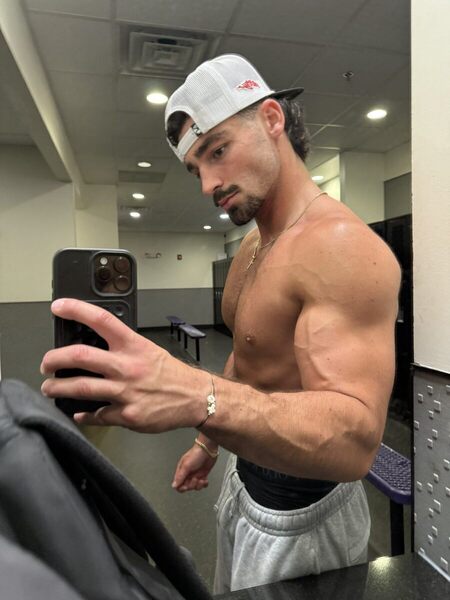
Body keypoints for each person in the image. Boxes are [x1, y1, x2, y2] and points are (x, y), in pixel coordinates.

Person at [40, 54, 401, 593]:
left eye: (217, 150)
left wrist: (196, 394)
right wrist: (209, 443)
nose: (208, 183)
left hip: (304, 513)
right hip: (245, 475)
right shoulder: (254, 246)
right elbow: (248, 355)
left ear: (272, 119)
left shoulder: (340, 247)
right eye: (196, 168)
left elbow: (356, 443)